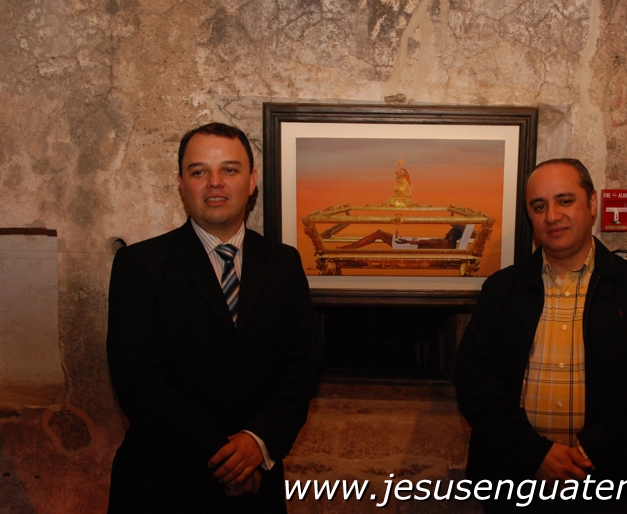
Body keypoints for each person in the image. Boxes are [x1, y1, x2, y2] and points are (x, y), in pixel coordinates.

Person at [106, 123, 323, 513]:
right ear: (181, 184)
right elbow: (139, 380)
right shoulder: (140, 266)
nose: (215, 183)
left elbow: (303, 366)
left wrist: (258, 442)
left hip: (258, 485)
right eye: (198, 171)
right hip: (162, 485)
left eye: (229, 169)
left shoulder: (284, 264)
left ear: (252, 181)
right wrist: (227, 460)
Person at [456, 159, 627, 513]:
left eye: (565, 201)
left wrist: (591, 450)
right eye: (539, 206)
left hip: (604, 481)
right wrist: (536, 454)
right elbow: (476, 383)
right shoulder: (501, 289)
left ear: (592, 204)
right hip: (513, 479)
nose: (552, 216)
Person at [338, 226, 464, 249]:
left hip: (409, 246)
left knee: (378, 233)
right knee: (379, 233)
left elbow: (424, 243)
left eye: (451, 230)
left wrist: (405, 241)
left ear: (453, 232)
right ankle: (348, 248)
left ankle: (347, 248)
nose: (449, 230)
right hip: (411, 244)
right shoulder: (450, 245)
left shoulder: (444, 243)